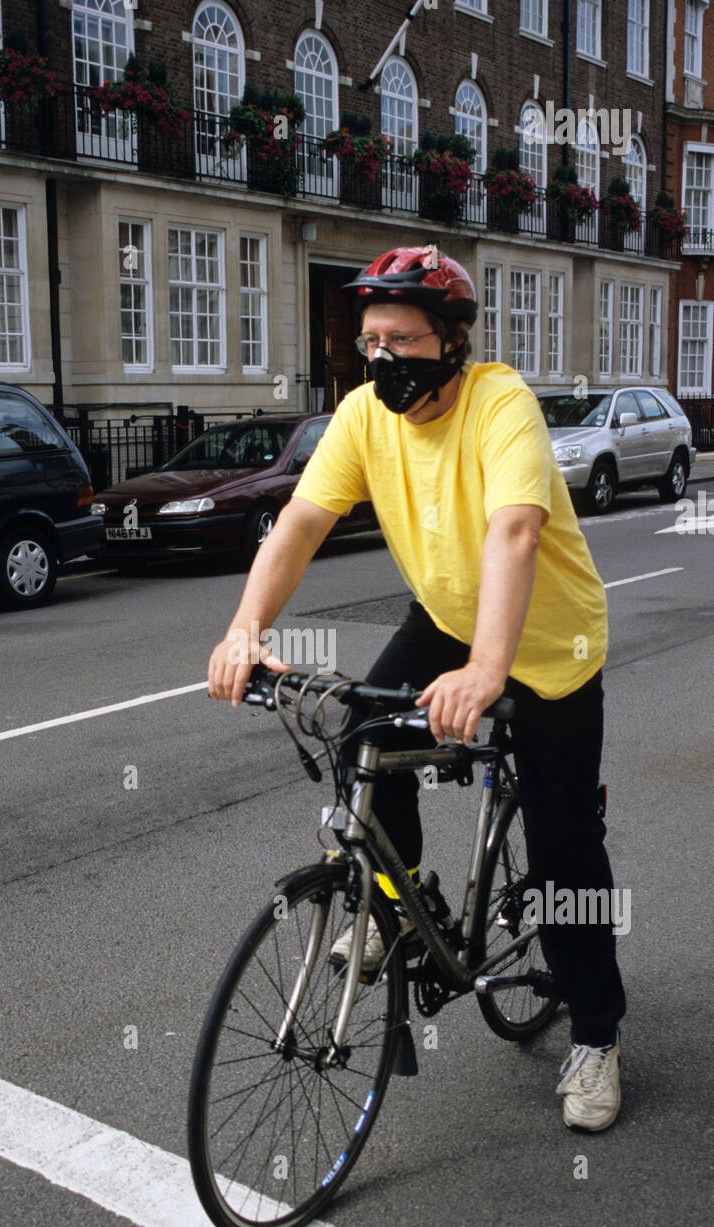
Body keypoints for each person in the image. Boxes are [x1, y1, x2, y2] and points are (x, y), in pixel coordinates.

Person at [208, 246, 625, 1132]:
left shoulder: (499, 403)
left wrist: (486, 670)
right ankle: (398, 906)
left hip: (550, 643)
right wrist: (247, 628)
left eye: (402, 339)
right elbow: (300, 523)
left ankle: (596, 1036)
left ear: (452, 342)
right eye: (371, 341)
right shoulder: (363, 417)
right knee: (368, 733)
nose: (383, 357)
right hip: (449, 613)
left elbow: (515, 533)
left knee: (563, 857)